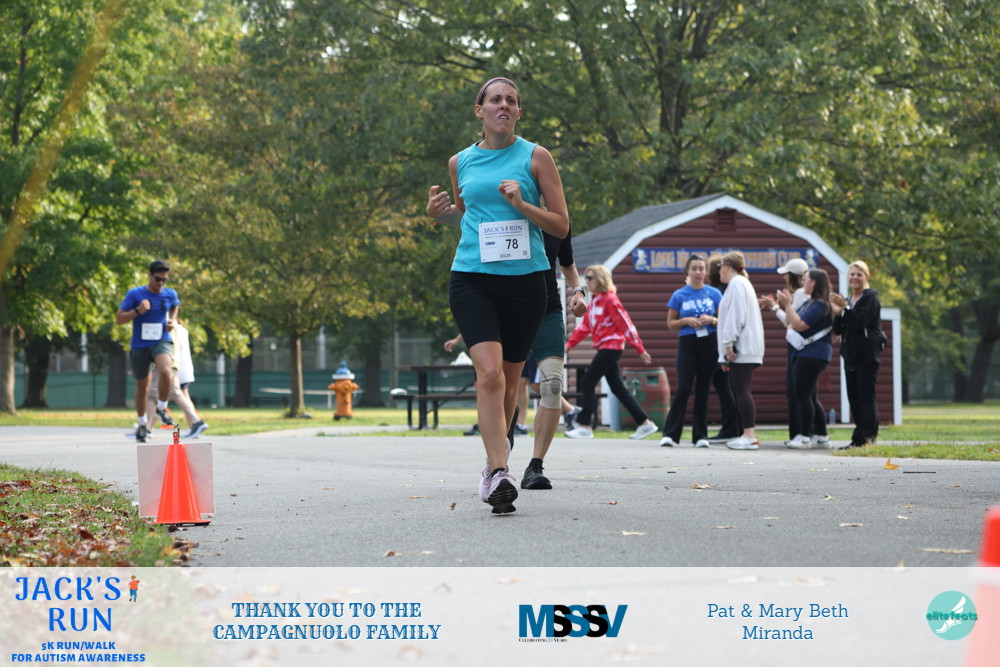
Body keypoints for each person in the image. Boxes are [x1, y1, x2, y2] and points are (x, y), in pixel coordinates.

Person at [426, 76, 569, 515]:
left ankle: (493, 465)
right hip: (472, 279)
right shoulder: (460, 162)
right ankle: (500, 471)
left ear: (518, 112)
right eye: (495, 100)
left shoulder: (536, 157)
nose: (503, 105)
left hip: (526, 283)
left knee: (509, 384)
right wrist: (439, 215)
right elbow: (469, 218)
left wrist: (523, 205)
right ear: (480, 110)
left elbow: (561, 225)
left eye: (511, 100)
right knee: (488, 375)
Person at [520, 228, 588, 490]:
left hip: (547, 311)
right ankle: (497, 465)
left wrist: (579, 292)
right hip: (507, 311)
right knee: (503, 387)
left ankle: (535, 466)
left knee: (552, 386)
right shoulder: (502, 212)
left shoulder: (557, 222)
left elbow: (567, 264)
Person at [564, 264, 658, 440]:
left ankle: (585, 426)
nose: (586, 281)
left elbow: (626, 324)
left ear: (600, 279)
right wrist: (569, 345)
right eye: (586, 278)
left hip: (611, 347)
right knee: (617, 388)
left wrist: (639, 348)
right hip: (605, 348)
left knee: (588, 380)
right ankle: (645, 424)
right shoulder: (595, 301)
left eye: (590, 278)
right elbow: (585, 327)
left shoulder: (610, 300)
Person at [658, 255, 723, 448]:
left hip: (709, 342)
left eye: (701, 268)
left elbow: (725, 320)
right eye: (694, 268)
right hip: (687, 342)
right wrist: (686, 321)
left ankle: (700, 436)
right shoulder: (679, 295)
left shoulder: (714, 294)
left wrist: (711, 320)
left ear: (706, 272)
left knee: (703, 389)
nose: (698, 272)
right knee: (684, 388)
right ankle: (670, 434)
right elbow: (670, 324)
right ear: (687, 271)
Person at [115, 260, 180, 443]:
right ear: (149, 275)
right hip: (140, 344)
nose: (161, 283)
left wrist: (172, 320)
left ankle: (162, 407)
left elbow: (175, 305)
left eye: (164, 280)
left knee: (166, 370)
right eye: (158, 279)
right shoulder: (135, 294)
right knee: (142, 388)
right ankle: (142, 423)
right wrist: (137, 310)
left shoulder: (170, 294)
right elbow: (119, 319)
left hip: (161, 339)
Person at [778, 268, 834, 449]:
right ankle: (822, 436)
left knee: (802, 395)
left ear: (814, 283)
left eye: (806, 279)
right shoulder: (810, 303)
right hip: (807, 353)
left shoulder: (820, 305)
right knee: (810, 396)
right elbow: (791, 322)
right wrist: (787, 306)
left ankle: (804, 437)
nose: (803, 282)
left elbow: (800, 325)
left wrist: (787, 304)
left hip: (812, 354)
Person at [831, 260, 883, 448]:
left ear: (866, 277)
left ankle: (868, 438)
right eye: (852, 274)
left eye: (859, 274)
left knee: (866, 398)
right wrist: (838, 313)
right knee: (854, 399)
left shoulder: (870, 299)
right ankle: (858, 438)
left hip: (867, 356)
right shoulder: (849, 301)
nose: (855, 278)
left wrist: (845, 308)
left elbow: (861, 322)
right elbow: (838, 330)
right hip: (850, 356)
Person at [716, 252, 765, 450]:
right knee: (740, 389)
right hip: (745, 346)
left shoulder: (736, 284)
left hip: (741, 347)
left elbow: (736, 316)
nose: (719, 271)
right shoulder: (742, 284)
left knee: (741, 390)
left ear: (728, 266)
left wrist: (728, 344)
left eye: (720, 266)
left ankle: (749, 435)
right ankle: (747, 433)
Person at [759, 257, 810, 443]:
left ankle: (801, 434)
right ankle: (802, 434)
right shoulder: (799, 295)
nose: (784, 278)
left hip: (799, 347)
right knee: (799, 392)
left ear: (793, 276)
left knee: (798, 392)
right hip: (798, 347)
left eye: (786, 274)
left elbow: (790, 322)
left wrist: (774, 307)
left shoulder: (800, 295)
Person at [705, 255, 741, 442]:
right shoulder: (731, 289)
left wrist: (710, 319)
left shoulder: (718, 292)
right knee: (731, 388)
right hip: (728, 343)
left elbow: (724, 320)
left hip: (718, 343)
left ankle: (730, 429)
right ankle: (737, 427)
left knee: (724, 387)